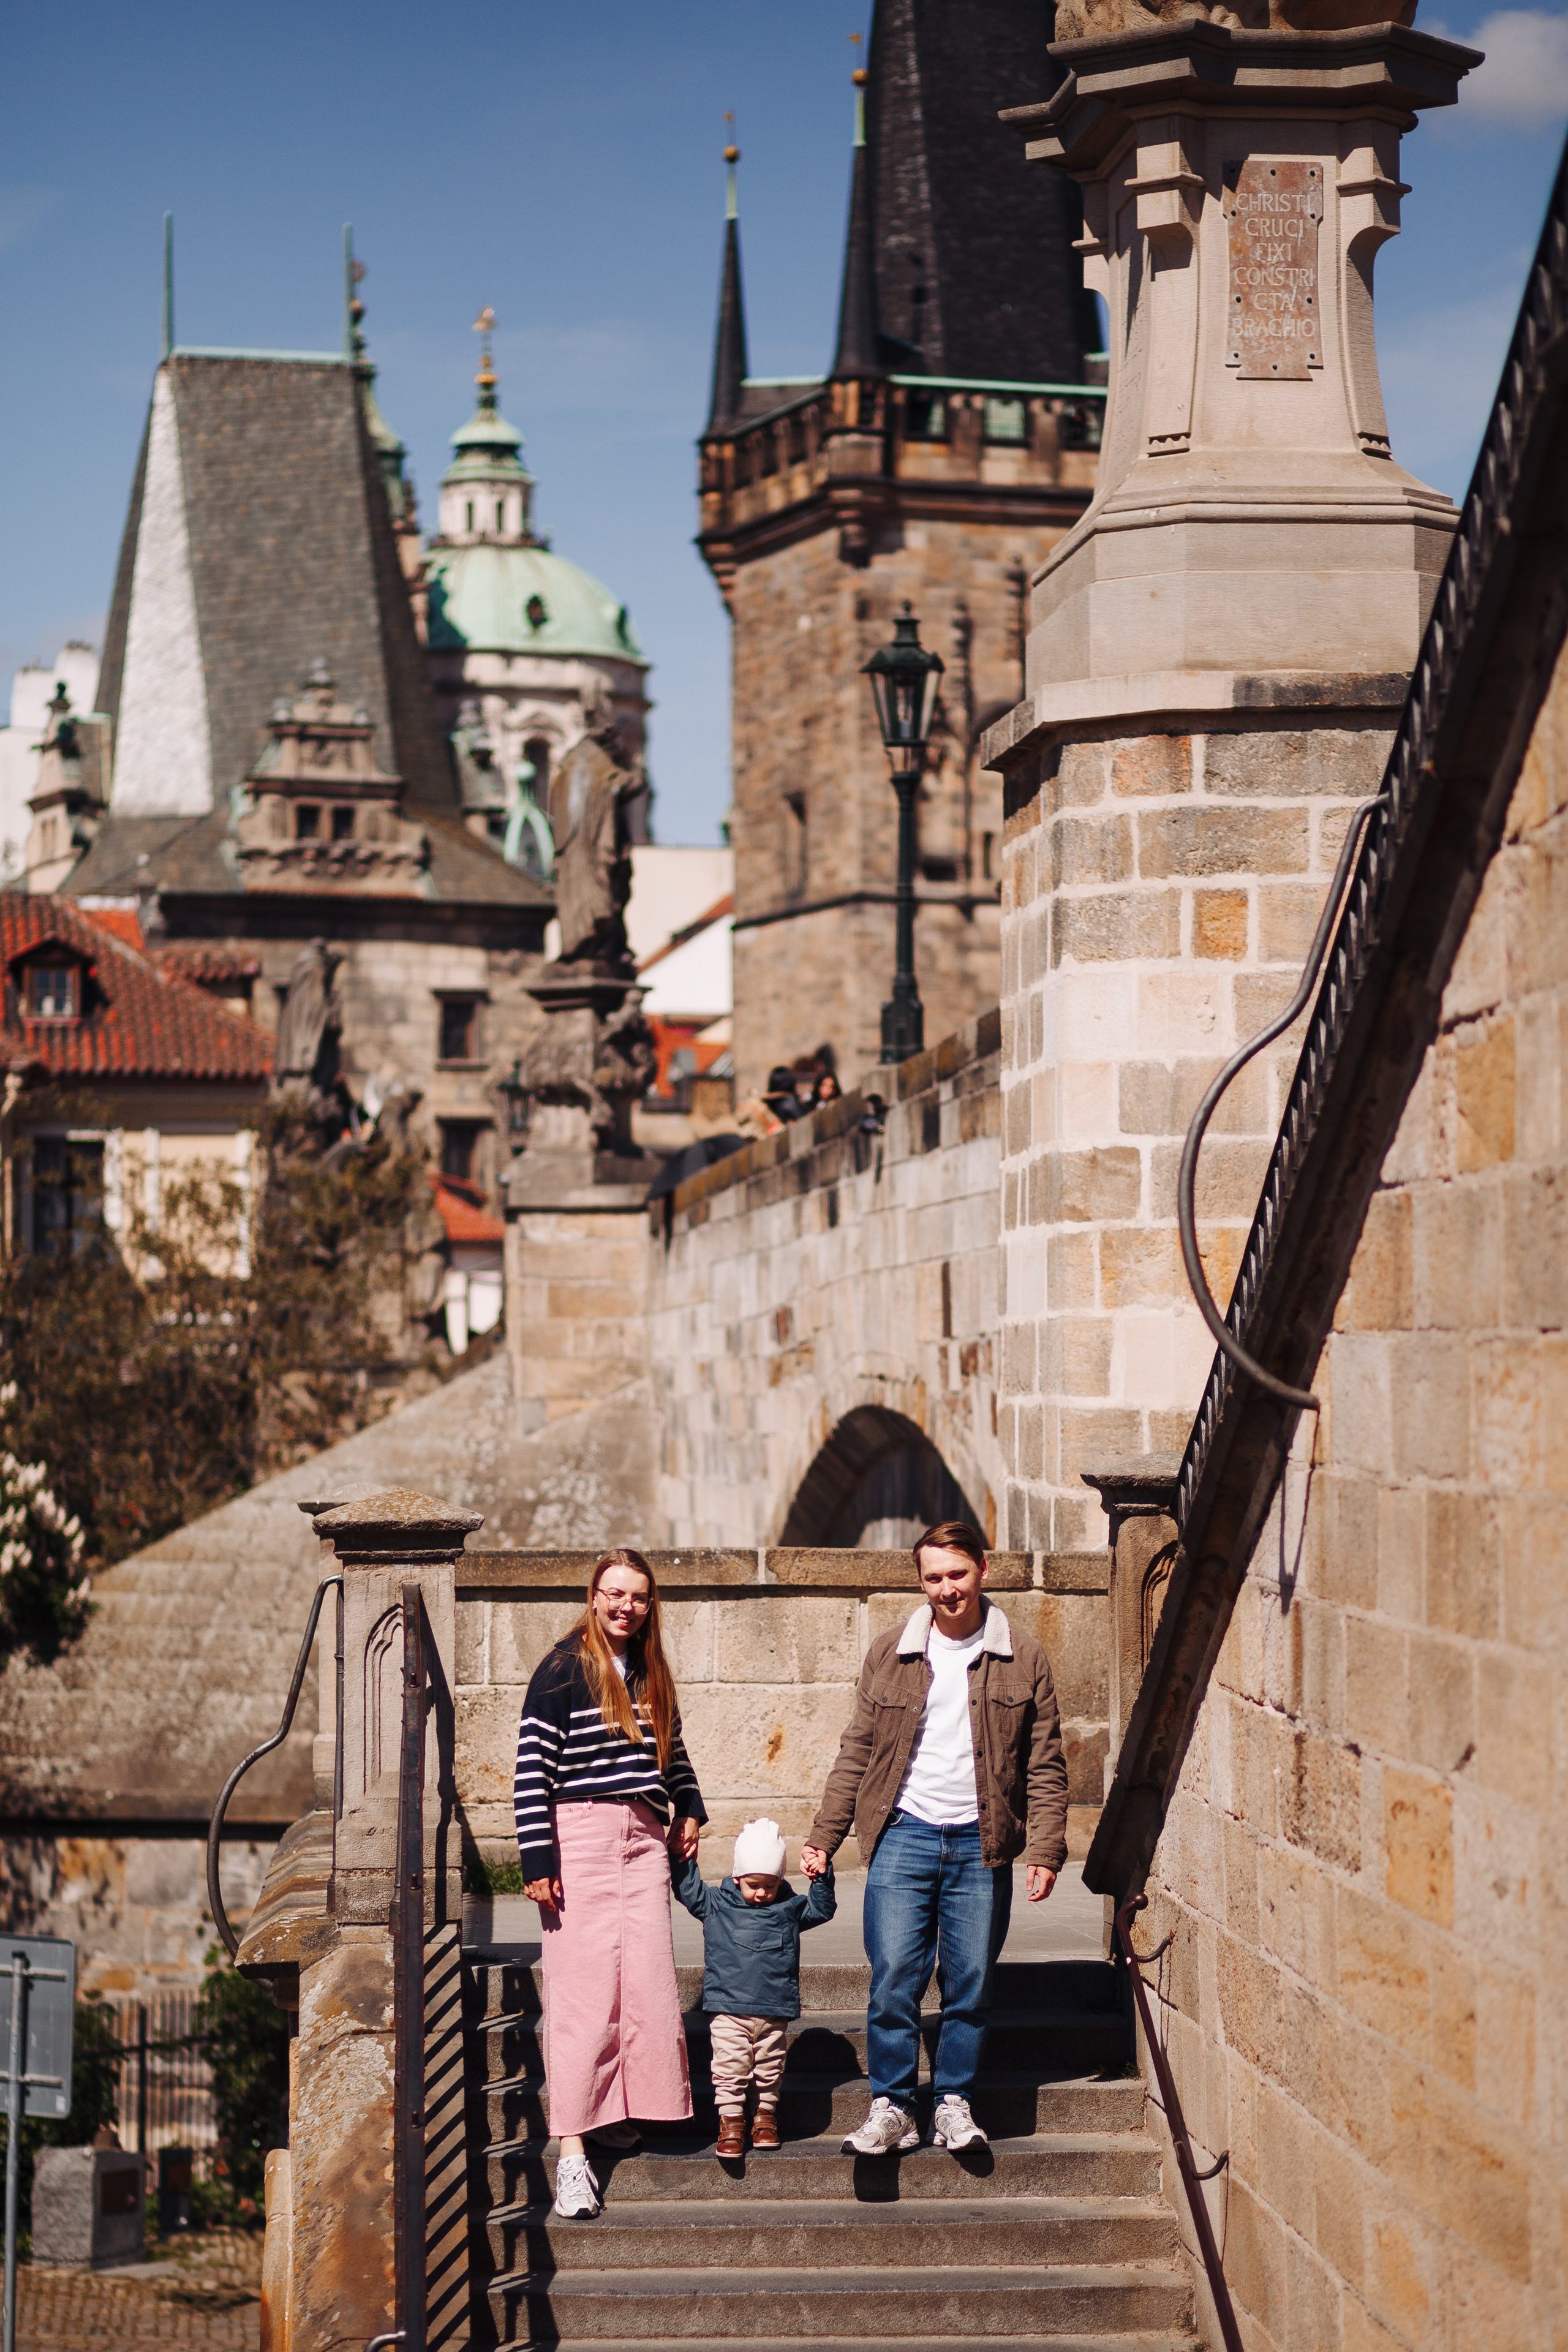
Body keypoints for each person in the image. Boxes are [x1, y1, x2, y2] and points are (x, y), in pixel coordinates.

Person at [801, 1520, 1068, 2158]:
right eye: (933, 1578)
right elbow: (857, 1750)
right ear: (920, 1582)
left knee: (970, 1981)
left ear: (982, 1570)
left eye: (957, 1574)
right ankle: (892, 2105)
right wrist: (824, 1835)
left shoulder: (1022, 1655)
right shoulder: (891, 1650)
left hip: (982, 1842)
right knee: (893, 1976)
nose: (947, 1589)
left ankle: (952, 2101)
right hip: (904, 1833)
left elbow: (1045, 1763)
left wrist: (1048, 1849)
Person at [514, 1549, 707, 2218]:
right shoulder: (563, 1668)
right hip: (582, 1837)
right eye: (614, 1594)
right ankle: (572, 2152)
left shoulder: (651, 1670)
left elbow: (670, 1751)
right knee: (582, 1997)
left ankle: (620, 2107)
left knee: (647, 1984)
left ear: (650, 1605)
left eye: (639, 1597)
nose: (626, 1606)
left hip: (644, 1841)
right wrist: (537, 1862)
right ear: (593, 1597)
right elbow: (531, 1770)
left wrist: (689, 1809)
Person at [671, 1817, 837, 2157]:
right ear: (737, 1877)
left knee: (770, 2067)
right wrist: (685, 1859)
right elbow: (688, 1890)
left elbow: (822, 1909)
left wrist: (821, 1877)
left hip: (774, 2010)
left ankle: (765, 2117)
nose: (761, 1893)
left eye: (770, 1885)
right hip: (729, 2010)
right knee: (729, 2067)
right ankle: (731, 2121)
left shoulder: (789, 1908)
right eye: (753, 1885)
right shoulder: (716, 1904)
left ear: (780, 1880)